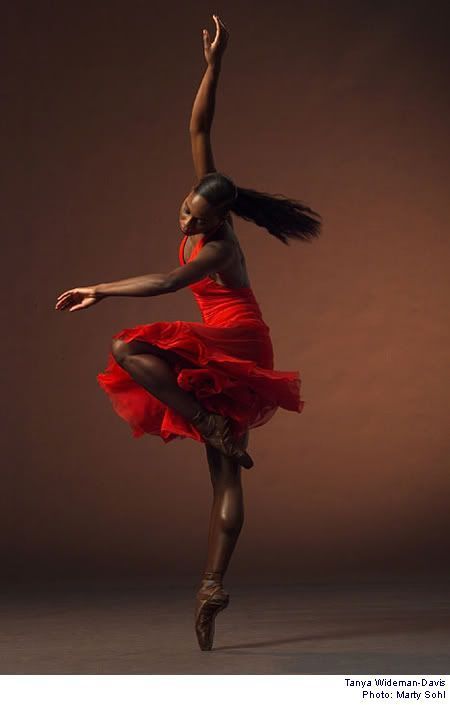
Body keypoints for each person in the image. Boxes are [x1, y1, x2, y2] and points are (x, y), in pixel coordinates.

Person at [55, 14, 321, 651]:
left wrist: (99, 288)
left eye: (197, 214)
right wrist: (214, 64)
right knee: (226, 474)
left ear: (221, 216)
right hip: (227, 338)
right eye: (185, 209)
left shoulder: (218, 244)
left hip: (239, 341)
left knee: (127, 345)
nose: (186, 217)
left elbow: (164, 286)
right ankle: (211, 588)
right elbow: (198, 126)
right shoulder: (210, 197)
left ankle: (208, 421)